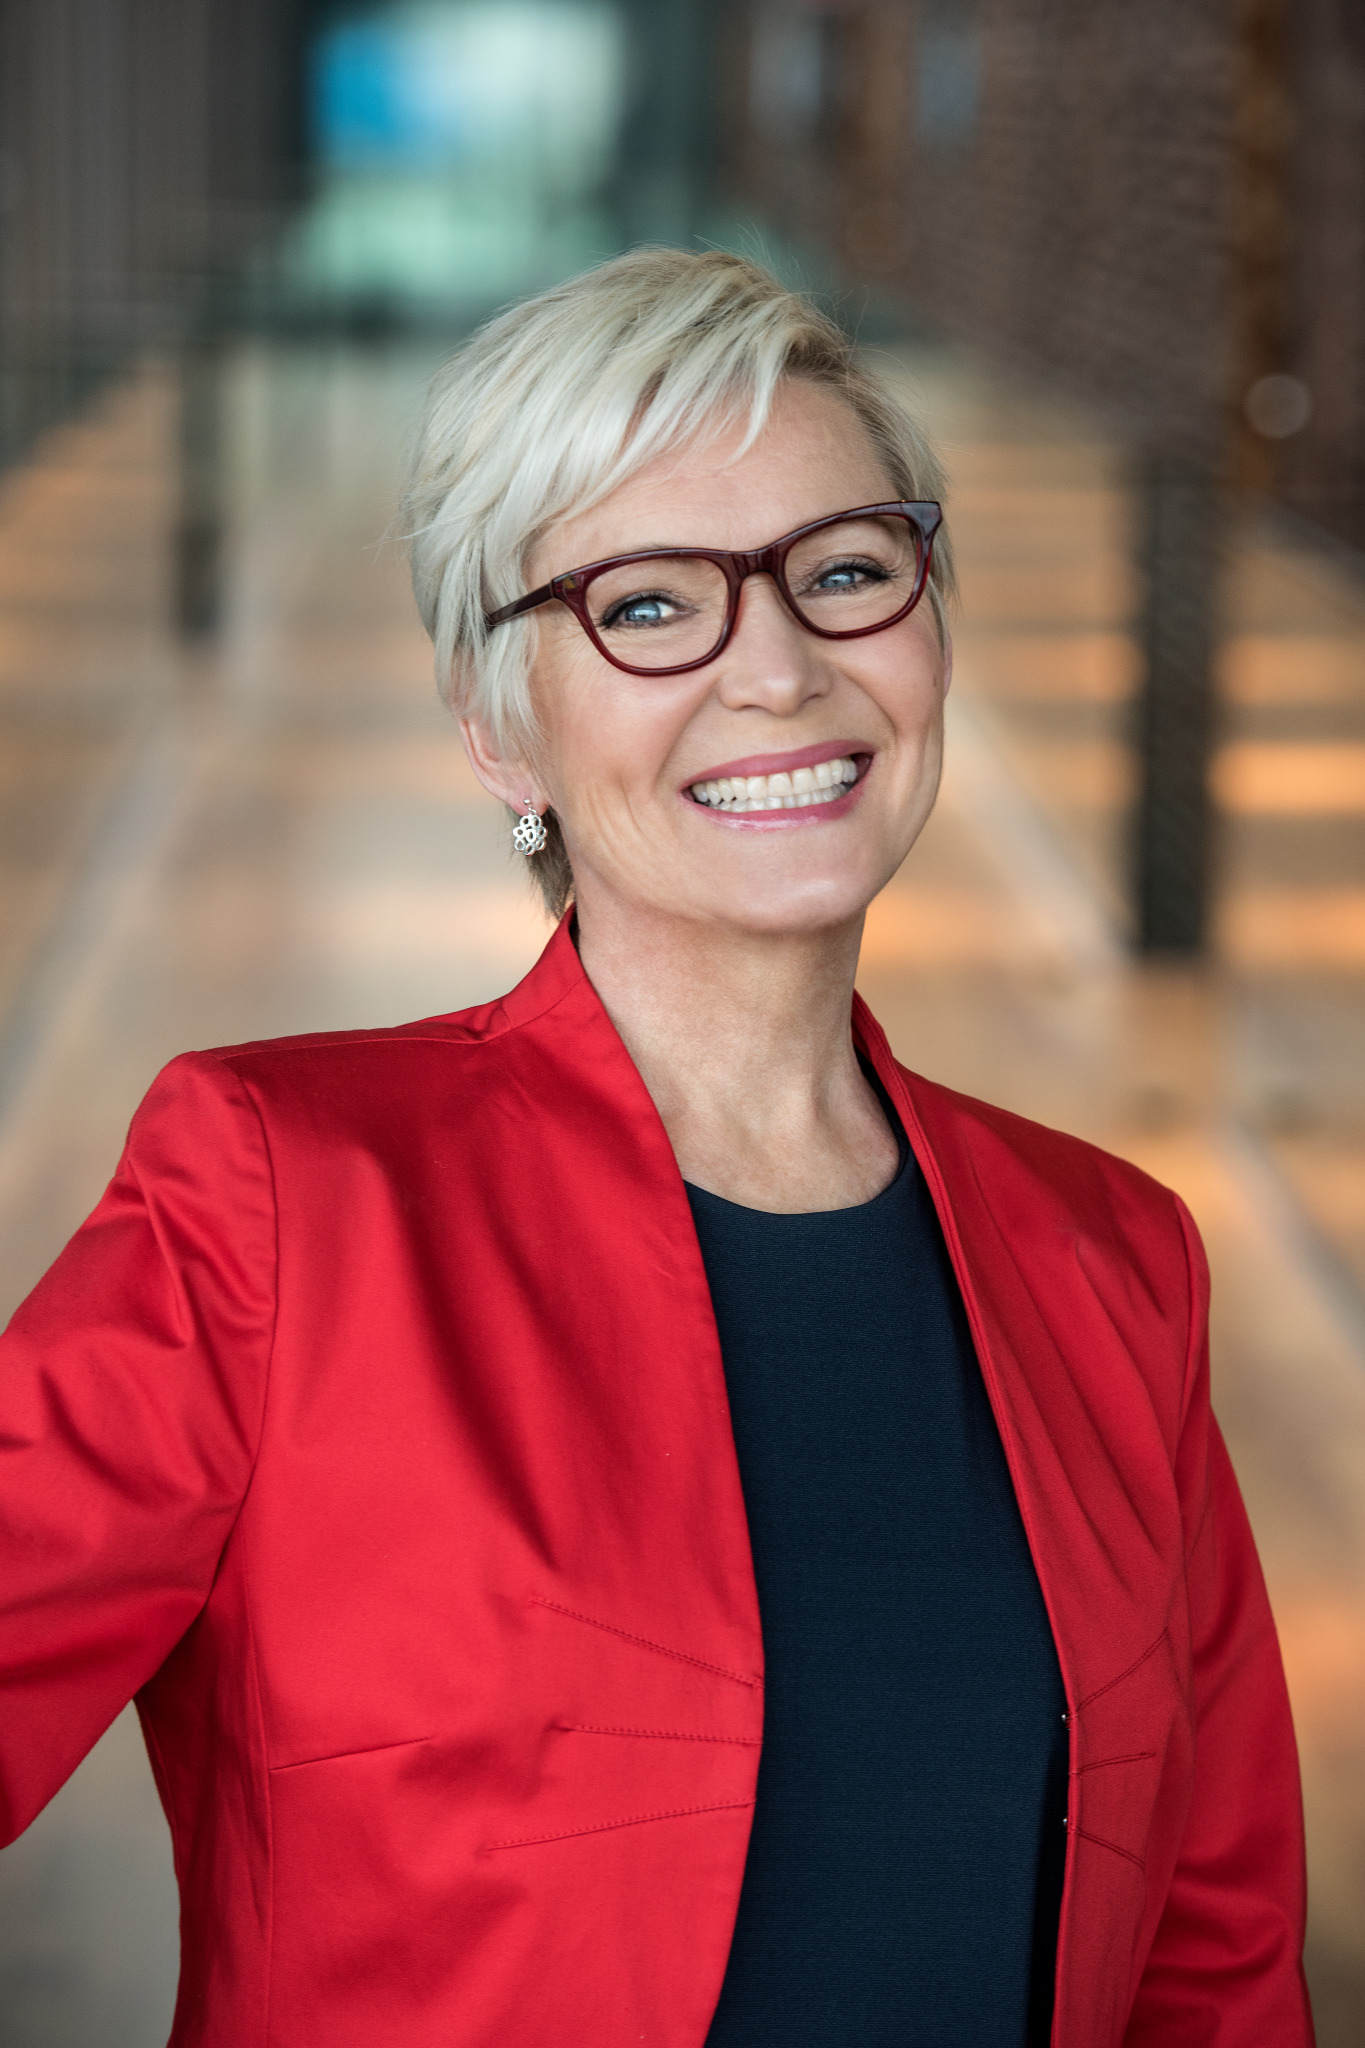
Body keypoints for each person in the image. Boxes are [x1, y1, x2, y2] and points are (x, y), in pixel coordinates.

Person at [0, 248, 1311, 2047]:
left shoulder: (1113, 1258)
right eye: (646, 604)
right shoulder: (279, 1199)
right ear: (498, 729)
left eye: (842, 571)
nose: (775, 669)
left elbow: (1210, 1964)